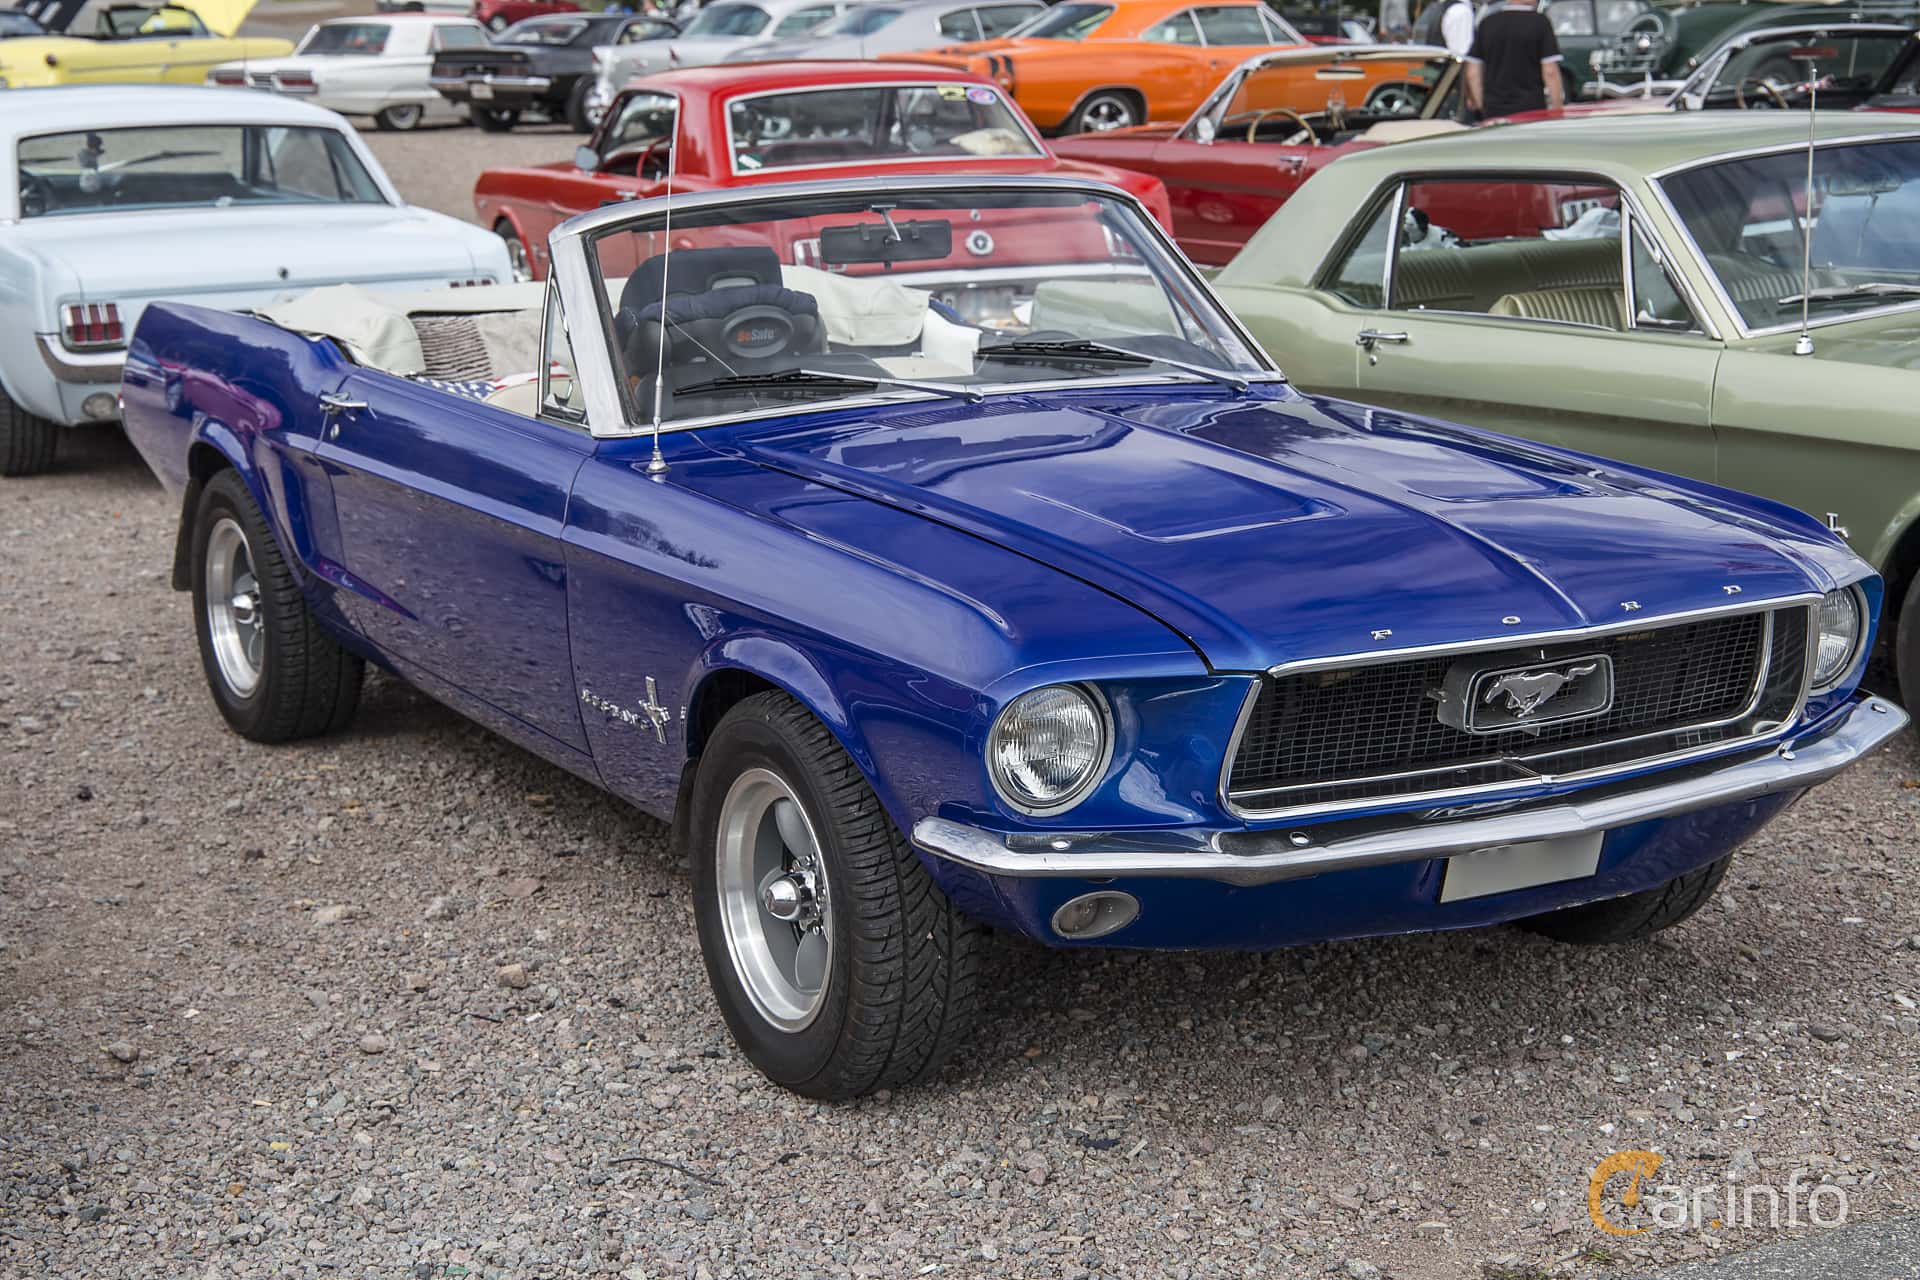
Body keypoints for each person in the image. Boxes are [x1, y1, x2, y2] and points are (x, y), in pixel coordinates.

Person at [1465, 0, 1564, 120]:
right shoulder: (1540, 23)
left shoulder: (1487, 23)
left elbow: (1472, 72)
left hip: (1494, 111)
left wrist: (1482, 105)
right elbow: (1550, 72)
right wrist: (1557, 109)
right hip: (1531, 110)